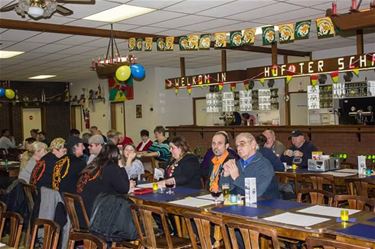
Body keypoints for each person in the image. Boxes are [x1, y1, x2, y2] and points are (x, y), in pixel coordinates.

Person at [220, 133, 279, 199]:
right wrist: (225, 176)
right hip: (240, 203)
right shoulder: (237, 164)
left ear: (253, 144)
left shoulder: (264, 165)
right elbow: (226, 192)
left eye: (242, 144)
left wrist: (237, 177)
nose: (239, 148)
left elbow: (257, 192)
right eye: (237, 146)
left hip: (265, 205)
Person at [76, 144, 131, 216]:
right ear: (117, 156)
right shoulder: (111, 167)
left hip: (82, 211)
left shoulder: (94, 164)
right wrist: (121, 167)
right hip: (96, 214)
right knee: (128, 207)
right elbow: (124, 189)